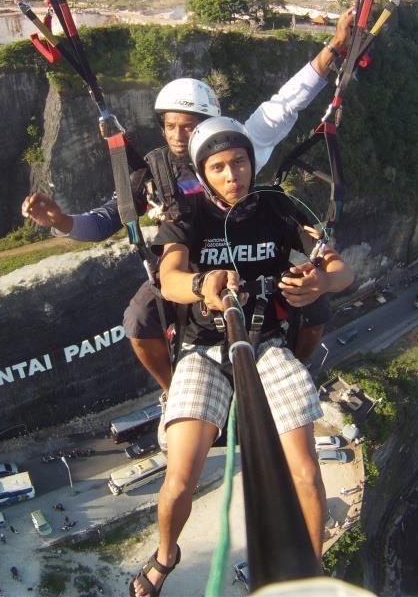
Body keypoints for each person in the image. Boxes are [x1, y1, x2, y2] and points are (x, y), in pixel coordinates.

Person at [22, 10, 353, 396]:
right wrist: (61, 220)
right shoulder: (153, 173)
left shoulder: (236, 146)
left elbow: (284, 104)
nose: (179, 136)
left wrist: (334, 48)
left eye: (190, 126)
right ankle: (170, 388)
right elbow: (108, 220)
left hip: (252, 253)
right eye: (170, 126)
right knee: (139, 319)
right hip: (187, 268)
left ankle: (294, 372)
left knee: (315, 305)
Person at [129, 117, 353, 597]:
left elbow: (338, 266)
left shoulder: (279, 207)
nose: (233, 176)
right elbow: (167, 274)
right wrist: (198, 285)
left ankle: (308, 573)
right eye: (219, 167)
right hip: (204, 350)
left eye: (240, 163)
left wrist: (320, 281)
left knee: (307, 473)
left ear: (252, 162)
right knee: (178, 482)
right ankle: (167, 555)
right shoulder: (185, 214)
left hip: (265, 344)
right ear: (203, 173)